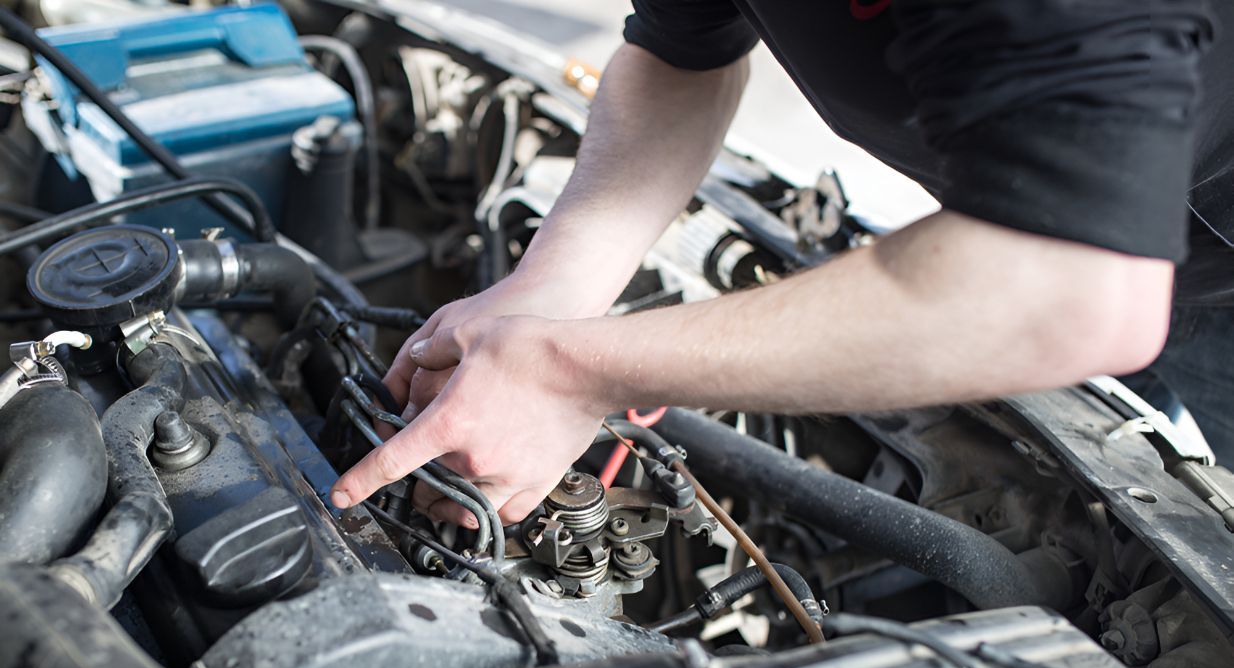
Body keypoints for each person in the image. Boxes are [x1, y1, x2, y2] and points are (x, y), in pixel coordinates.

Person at [330, 0, 1232, 528]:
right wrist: (553, 293)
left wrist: (574, 373)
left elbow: (1070, 283)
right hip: (1090, 232)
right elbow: (683, 57)